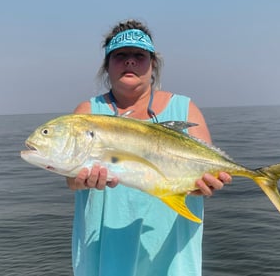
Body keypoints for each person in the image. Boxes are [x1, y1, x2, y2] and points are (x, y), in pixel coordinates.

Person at [66, 19, 232, 276]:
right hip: (106, 252)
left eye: (139, 55)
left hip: (170, 255)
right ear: (106, 66)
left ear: (152, 64)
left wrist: (205, 186)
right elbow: (71, 178)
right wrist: (80, 180)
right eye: (120, 55)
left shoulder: (185, 108)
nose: (130, 61)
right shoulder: (88, 114)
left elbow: (205, 170)